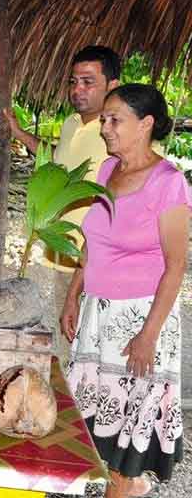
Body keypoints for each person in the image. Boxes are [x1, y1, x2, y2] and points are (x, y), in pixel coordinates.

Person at [62, 84, 189, 498]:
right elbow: (92, 242)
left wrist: (148, 336)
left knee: (121, 442)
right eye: (104, 120)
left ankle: (126, 485)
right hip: (98, 317)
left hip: (139, 321)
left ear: (146, 124)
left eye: (115, 120)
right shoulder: (106, 173)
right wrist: (73, 293)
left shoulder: (168, 183)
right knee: (95, 428)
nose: (105, 128)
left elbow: (175, 267)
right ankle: (131, 487)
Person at [6, 45, 121, 347]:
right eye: (73, 81)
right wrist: (19, 134)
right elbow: (57, 161)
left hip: (96, 262)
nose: (77, 89)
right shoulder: (71, 124)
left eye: (88, 81)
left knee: (92, 346)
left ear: (113, 86)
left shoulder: (118, 131)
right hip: (63, 254)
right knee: (67, 340)